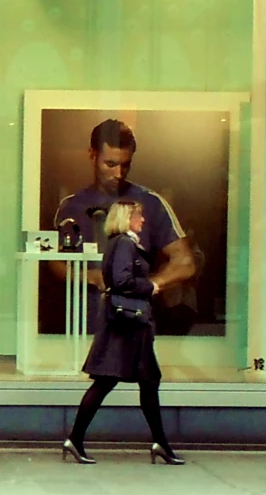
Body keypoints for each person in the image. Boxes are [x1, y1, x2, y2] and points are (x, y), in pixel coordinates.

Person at [62, 200, 184, 466]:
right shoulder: (125, 244)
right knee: (110, 382)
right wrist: (150, 286)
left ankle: (160, 444)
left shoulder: (121, 244)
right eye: (139, 216)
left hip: (128, 325)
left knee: (146, 382)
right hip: (126, 326)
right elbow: (121, 281)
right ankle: (76, 438)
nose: (142, 221)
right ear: (127, 218)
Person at [50, 118, 196, 332]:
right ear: (92, 155)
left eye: (125, 165)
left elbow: (185, 262)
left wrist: (147, 286)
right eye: (110, 164)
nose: (118, 173)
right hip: (80, 330)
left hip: (134, 326)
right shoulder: (71, 206)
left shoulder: (151, 202)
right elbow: (53, 262)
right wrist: (87, 276)